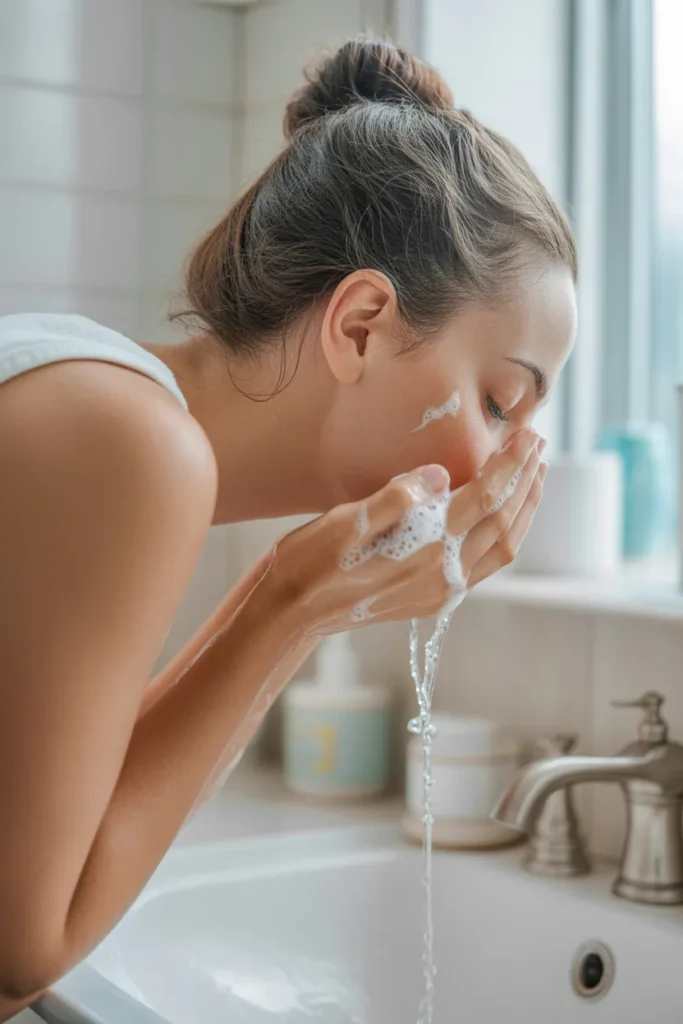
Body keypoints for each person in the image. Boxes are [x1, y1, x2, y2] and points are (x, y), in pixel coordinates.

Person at [0, 38, 576, 1017]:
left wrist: (299, 602)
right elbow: (19, 953)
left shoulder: (92, 395)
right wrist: (293, 603)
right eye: (496, 400)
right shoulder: (131, 443)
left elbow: (63, 820)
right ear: (359, 325)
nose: (503, 464)